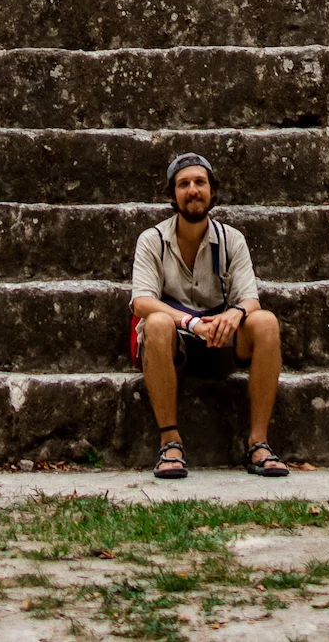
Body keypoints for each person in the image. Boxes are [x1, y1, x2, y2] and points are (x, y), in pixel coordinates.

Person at [129, 151, 288, 479]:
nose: (192, 190)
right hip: (177, 339)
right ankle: (170, 443)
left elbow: (251, 299)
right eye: (183, 184)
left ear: (212, 190)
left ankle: (259, 443)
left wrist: (235, 314)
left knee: (266, 322)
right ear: (172, 194)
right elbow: (141, 302)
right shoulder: (152, 239)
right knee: (156, 322)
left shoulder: (232, 239)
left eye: (200, 182)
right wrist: (190, 323)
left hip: (220, 336)